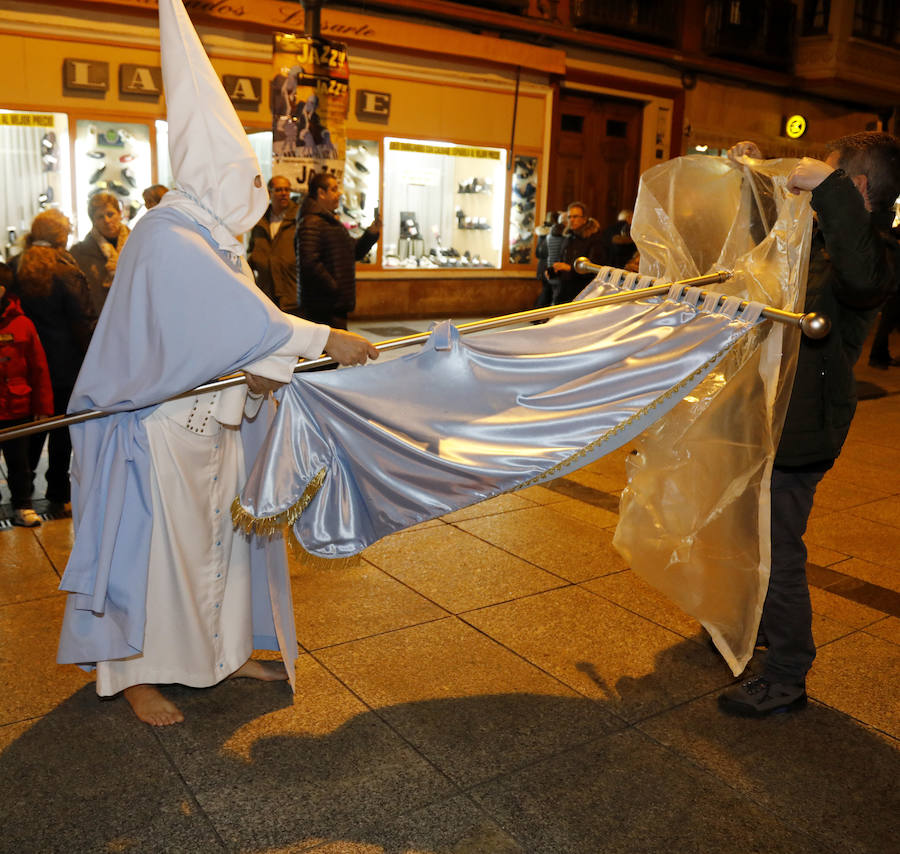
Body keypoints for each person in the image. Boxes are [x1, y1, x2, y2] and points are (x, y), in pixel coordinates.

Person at [56, 0, 378, 727]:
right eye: (244, 179)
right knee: (160, 562)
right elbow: (236, 320)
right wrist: (325, 339)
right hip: (161, 437)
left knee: (223, 552)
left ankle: (224, 652)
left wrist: (266, 372)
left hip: (215, 430)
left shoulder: (212, 240)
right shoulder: (167, 237)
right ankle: (135, 675)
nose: (256, 194)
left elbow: (231, 337)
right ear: (211, 178)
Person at [718, 133, 900, 717]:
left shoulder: (873, 250)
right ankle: (760, 628)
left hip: (803, 430)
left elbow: (864, 278)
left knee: (779, 553)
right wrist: (751, 176)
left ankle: (788, 674)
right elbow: (762, 248)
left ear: (858, 186)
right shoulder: (818, 239)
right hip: (769, 416)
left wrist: (832, 191)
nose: (810, 172)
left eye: (829, 170)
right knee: (753, 538)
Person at [13, 209, 97, 515]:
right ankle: (58, 493)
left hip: (26, 366)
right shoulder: (67, 270)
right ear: (60, 235)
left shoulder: (15, 265)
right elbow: (83, 321)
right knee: (63, 429)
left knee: (29, 430)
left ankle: (22, 492)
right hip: (65, 364)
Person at [0, 262, 54, 527]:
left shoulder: (22, 324)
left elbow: (39, 368)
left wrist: (43, 407)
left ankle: (22, 504)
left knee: (19, 463)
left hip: (16, 405)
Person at [296, 172, 380, 329]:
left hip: (332, 306)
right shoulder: (311, 222)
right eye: (334, 189)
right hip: (322, 308)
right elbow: (309, 263)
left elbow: (351, 252)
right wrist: (333, 287)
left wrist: (371, 233)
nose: (339, 193)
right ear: (321, 193)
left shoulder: (329, 221)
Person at [70, 192, 130, 314]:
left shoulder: (138, 242)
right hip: (100, 317)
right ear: (93, 221)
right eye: (100, 217)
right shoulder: (80, 252)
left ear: (120, 214)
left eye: (110, 214)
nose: (107, 220)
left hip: (134, 312)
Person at [247, 175, 299, 311]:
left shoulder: (298, 219)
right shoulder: (259, 220)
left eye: (287, 190)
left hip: (291, 293)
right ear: (269, 193)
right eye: (279, 190)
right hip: (266, 294)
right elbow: (252, 251)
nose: (284, 194)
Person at [545, 201, 607, 305]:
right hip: (564, 291)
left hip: (583, 292)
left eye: (575, 216)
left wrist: (570, 268)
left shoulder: (594, 239)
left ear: (584, 219)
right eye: (569, 217)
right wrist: (554, 271)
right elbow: (562, 262)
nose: (571, 220)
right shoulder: (568, 237)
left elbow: (595, 269)